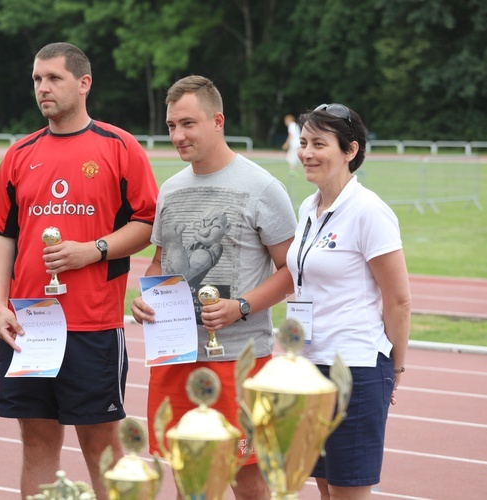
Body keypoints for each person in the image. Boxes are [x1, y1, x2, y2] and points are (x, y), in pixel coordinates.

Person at [0, 42, 159, 499]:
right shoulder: (20, 154)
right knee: (37, 443)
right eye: (37, 79)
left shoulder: (119, 147)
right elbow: (0, 233)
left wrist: (94, 250)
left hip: (91, 325)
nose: (43, 88)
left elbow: (147, 222)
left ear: (84, 83)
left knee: (101, 445)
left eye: (54, 78)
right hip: (30, 323)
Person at [131, 75, 297, 500]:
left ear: (217, 120)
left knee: (248, 479)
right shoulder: (170, 189)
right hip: (178, 354)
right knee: (191, 477)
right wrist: (146, 299)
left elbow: (292, 270)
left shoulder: (261, 187)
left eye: (188, 123)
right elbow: (161, 261)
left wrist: (240, 306)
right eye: (171, 126)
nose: (178, 135)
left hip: (240, 359)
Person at [286, 103, 411, 500]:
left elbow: (398, 299)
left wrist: (397, 367)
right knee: (324, 486)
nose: (306, 152)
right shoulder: (309, 207)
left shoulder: (369, 211)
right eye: (304, 142)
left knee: (348, 492)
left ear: (350, 151)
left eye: (319, 144)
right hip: (310, 365)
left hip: (354, 369)